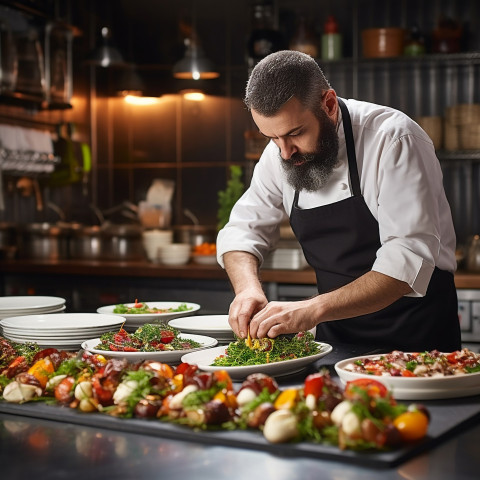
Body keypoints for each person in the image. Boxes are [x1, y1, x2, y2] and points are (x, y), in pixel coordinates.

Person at [216, 50, 461, 352]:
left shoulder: (393, 139)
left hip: (417, 342)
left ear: (329, 104)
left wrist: (310, 310)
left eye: (296, 133)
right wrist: (247, 290)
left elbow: (406, 262)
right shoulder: (281, 151)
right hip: (336, 342)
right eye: (272, 138)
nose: (284, 153)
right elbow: (243, 229)